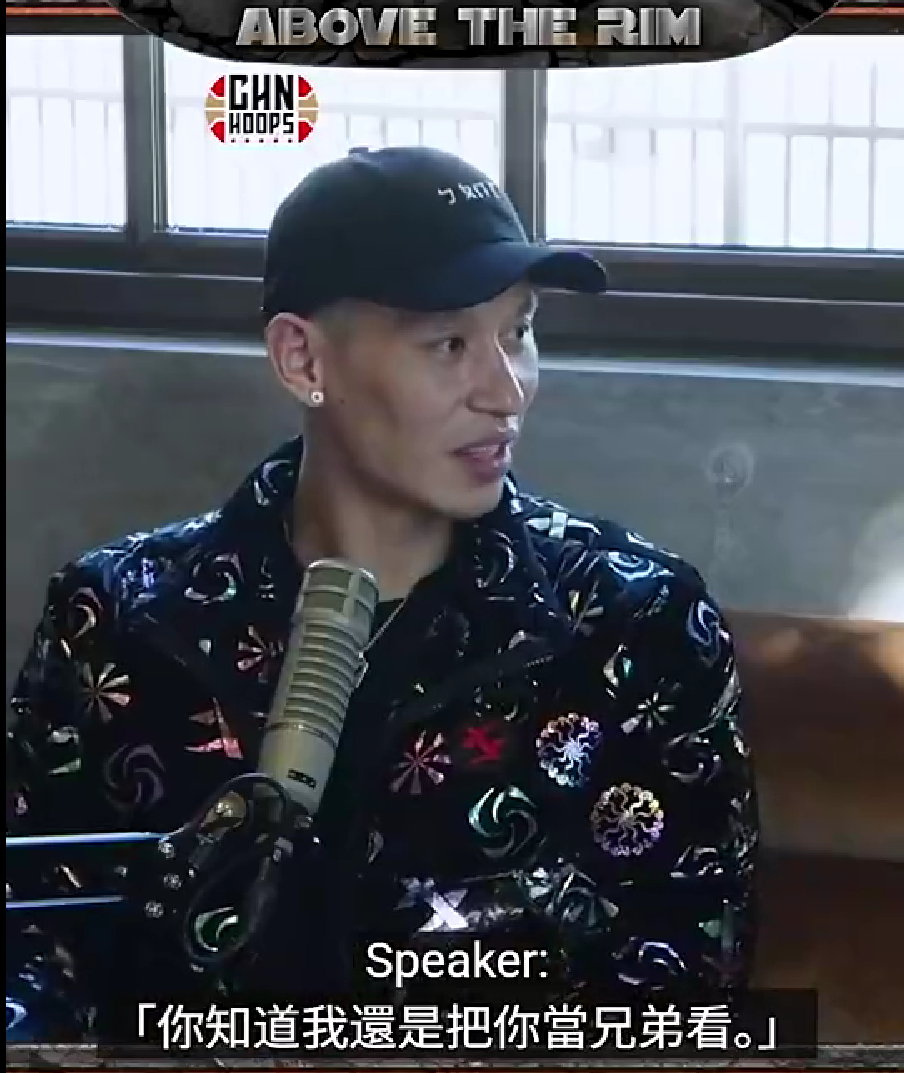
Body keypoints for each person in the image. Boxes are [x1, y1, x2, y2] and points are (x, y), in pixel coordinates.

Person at [6, 146, 759, 1046]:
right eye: (449, 344)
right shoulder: (118, 617)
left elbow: (685, 986)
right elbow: (31, 936)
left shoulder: (637, 622)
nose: (507, 391)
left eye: (519, 331)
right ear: (301, 357)